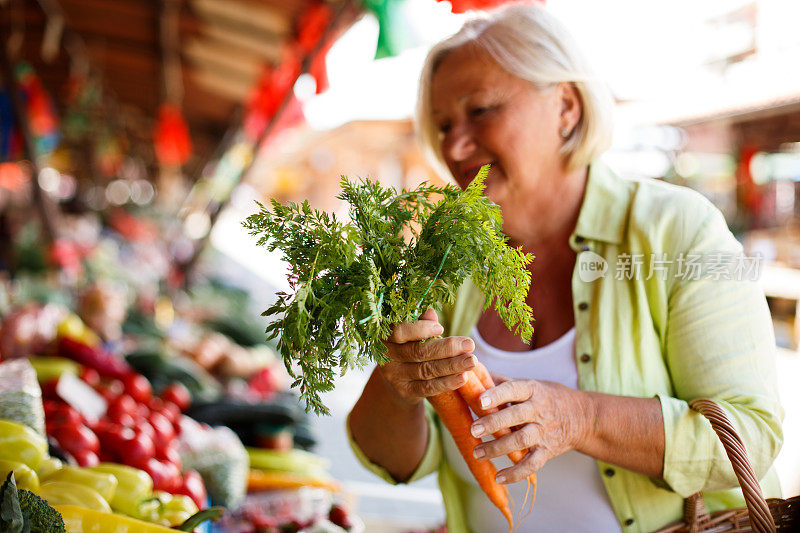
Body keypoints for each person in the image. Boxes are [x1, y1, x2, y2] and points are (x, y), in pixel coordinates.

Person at [347, 4, 783, 532]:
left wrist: (580, 417)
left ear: (567, 108)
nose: (454, 146)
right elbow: (396, 464)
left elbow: (751, 435)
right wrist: (398, 387)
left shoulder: (678, 230)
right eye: (442, 125)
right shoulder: (444, 262)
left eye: (481, 110)